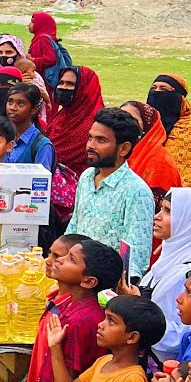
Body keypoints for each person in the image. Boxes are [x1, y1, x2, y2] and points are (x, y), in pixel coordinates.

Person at [26, 238, 119, 382]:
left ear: (88, 281)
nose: (59, 260)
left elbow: (67, 379)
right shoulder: (70, 306)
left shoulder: (81, 321)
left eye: (71, 259)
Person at [45, 294, 165, 382]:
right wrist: (55, 347)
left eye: (111, 321)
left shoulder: (133, 379)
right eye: (105, 317)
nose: (100, 325)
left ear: (132, 337)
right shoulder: (103, 362)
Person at [118, 188, 191, 361]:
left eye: (168, 211)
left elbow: (180, 335)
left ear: (186, 219)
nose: (157, 217)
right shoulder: (169, 256)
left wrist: (138, 306)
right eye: (161, 209)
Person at [67, 108, 156, 278]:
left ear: (123, 149)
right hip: (75, 275)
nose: (90, 145)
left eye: (101, 140)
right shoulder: (87, 176)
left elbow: (136, 256)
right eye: (90, 137)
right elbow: (75, 225)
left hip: (106, 285)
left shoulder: (136, 191)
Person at [148, 74, 191, 189]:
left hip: (182, 196)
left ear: (179, 97)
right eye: (153, 88)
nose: (157, 92)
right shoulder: (145, 126)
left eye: (164, 89)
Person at [46, 66, 105, 176]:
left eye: (70, 84)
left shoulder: (93, 123)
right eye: (61, 82)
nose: (63, 87)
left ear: (84, 88)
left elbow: (54, 152)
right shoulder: (64, 114)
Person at [118, 100, 183, 197]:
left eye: (132, 120)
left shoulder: (161, 163)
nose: (124, 124)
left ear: (148, 126)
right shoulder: (116, 153)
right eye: (120, 119)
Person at [5, 83, 55, 169]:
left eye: (20, 104)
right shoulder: (3, 137)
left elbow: (41, 180)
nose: (12, 107)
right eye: (10, 102)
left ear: (34, 109)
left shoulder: (42, 145)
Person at [28, 12, 69, 87]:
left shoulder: (44, 39)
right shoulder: (38, 38)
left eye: (33, 21)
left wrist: (32, 60)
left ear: (41, 24)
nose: (29, 24)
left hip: (46, 80)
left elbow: (50, 59)